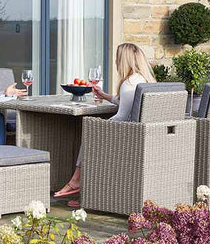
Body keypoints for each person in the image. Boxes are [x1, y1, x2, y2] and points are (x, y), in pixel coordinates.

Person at [54, 42, 156, 206]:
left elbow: (121, 116)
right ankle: (85, 192)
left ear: (122, 60)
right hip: (141, 135)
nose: (115, 62)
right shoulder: (143, 80)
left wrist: (101, 128)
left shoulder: (128, 83)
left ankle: (76, 181)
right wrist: (105, 95)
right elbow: (126, 102)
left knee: (90, 133)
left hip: (127, 136)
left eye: (117, 58)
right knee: (94, 131)